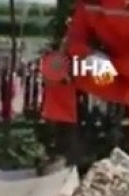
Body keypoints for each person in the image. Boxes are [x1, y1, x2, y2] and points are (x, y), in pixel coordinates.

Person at [39, 0, 129, 174]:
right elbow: (75, 38)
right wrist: (89, 56)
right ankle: (63, 148)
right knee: (57, 67)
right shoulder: (89, 3)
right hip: (108, 71)